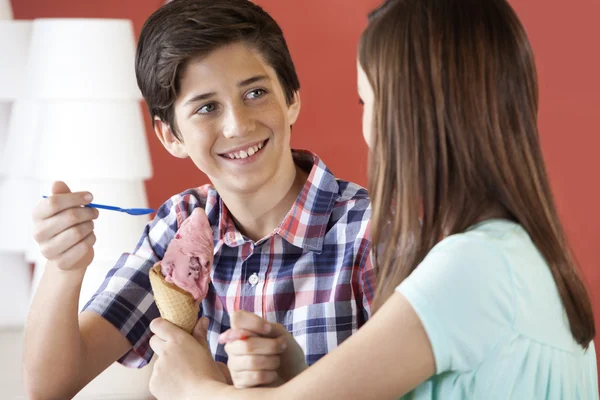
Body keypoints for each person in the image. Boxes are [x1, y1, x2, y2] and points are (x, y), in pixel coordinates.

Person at [146, 0, 599, 398]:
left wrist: (191, 386)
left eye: (367, 103)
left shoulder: (473, 268)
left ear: (407, 112)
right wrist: (297, 373)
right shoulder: (517, 258)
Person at [22, 0, 375, 398]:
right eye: (207, 107)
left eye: (256, 92)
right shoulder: (179, 224)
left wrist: (200, 389)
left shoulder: (370, 230)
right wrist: (64, 268)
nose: (238, 124)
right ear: (170, 136)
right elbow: (49, 386)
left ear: (291, 97)